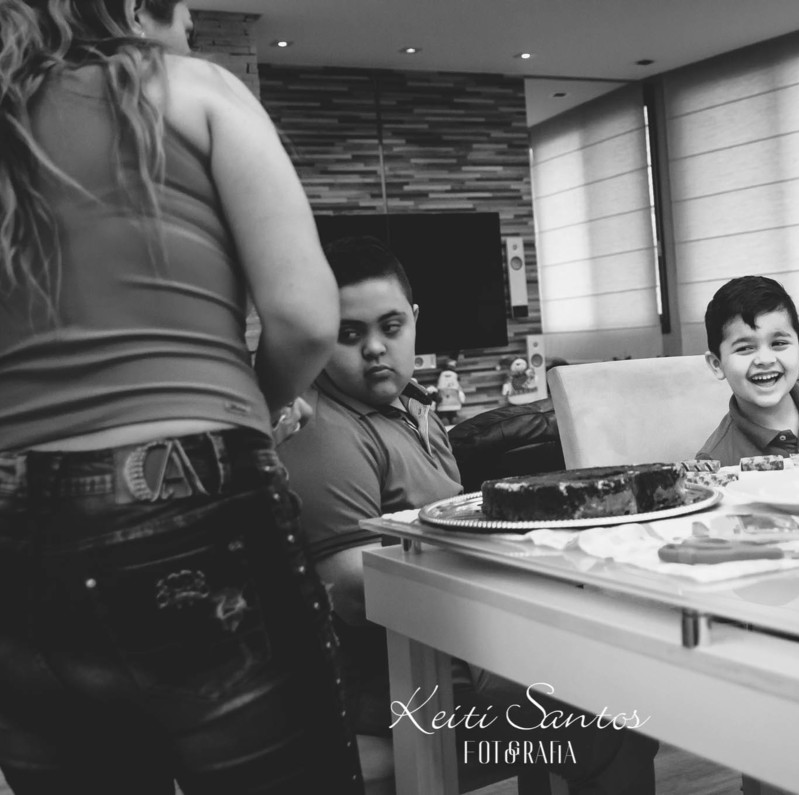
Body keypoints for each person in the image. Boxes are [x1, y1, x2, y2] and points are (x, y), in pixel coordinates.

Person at [0, 1, 361, 792]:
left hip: (3, 546)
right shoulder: (196, 91)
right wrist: (251, 408)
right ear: (132, 8)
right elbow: (304, 319)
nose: (190, 31)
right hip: (194, 508)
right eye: (186, 13)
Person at [279, 236, 658, 793]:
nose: (375, 348)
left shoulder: (413, 405)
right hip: (406, 691)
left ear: (414, 319)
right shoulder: (326, 434)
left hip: (466, 653)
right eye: (349, 334)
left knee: (621, 684)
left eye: (390, 327)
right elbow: (355, 594)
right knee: (612, 723)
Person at [696, 275, 799, 465]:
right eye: (745, 348)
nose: (765, 360)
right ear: (717, 365)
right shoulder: (714, 462)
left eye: (778, 343)